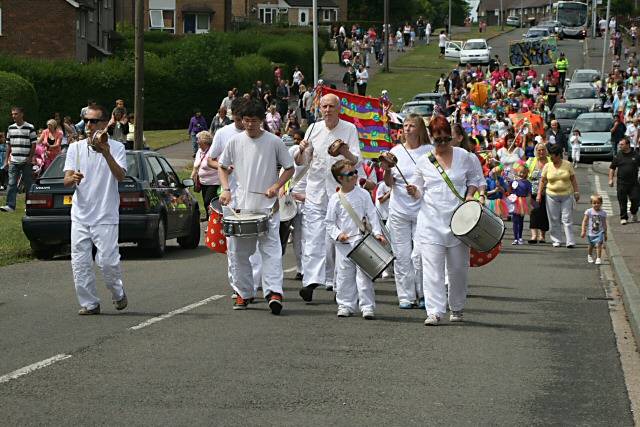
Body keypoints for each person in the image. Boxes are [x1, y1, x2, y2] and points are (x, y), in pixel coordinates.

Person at [218, 100, 294, 314]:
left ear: (262, 121)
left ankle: (274, 292)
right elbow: (222, 168)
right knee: (240, 253)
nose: (249, 125)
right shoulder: (234, 141)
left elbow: (289, 168)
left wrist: (276, 186)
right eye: (246, 120)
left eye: (253, 121)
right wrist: (225, 189)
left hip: (268, 208)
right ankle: (243, 293)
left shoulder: (274, 142)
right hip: (242, 208)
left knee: (271, 251)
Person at [406, 115, 483, 326]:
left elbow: (476, 179)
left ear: (451, 137)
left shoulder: (464, 156)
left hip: (459, 222)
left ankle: (456, 307)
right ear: (431, 137)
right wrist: (413, 191)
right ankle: (434, 310)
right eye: (437, 140)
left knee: (458, 269)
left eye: (445, 139)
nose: (442, 144)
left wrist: (470, 196)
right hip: (430, 221)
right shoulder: (424, 161)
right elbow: (418, 188)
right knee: (432, 269)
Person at [62, 104, 128, 315]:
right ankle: (90, 303)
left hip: (106, 214)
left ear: (104, 123)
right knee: (80, 262)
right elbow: (66, 180)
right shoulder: (75, 148)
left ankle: (117, 293)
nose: (88, 125)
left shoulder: (117, 147)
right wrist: (71, 178)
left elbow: (120, 176)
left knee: (108, 262)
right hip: (80, 214)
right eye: (86, 120)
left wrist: (106, 152)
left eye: (94, 121)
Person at [295, 93, 360, 302]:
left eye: (331, 107)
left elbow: (356, 161)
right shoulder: (313, 129)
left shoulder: (349, 129)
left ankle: (339, 284)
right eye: (324, 107)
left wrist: (345, 152)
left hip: (340, 191)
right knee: (313, 237)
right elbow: (303, 162)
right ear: (319, 109)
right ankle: (311, 282)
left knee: (339, 239)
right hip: (315, 190)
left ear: (338, 109)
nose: (327, 110)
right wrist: (301, 151)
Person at [381, 114, 432, 309]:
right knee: (402, 255)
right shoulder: (395, 151)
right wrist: (386, 170)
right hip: (399, 210)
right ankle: (406, 296)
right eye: (405, 125)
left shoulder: (429, 151)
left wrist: (417, 191)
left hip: (422, 209)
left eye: (412, 125)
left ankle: (423, 294)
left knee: (418, 255)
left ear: (419, 129)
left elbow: (434, 179)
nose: (407, 129)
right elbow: (389, 183)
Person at [326, 159, 386, 319]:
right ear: (340, 178)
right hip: (343, 244)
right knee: (344, 275)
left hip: (361, 240)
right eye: (349, 174)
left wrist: (378, 233)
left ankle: (367, 306)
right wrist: (339, 234)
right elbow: (329, 222)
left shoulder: (363, 194)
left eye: (355, 172)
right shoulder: (335, 199)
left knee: (364, 276)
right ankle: (345, 305)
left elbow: (372, 214)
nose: (354, 176)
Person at [536, 144, 580, 248]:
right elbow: (542, 181)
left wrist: (576, 192)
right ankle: (556, 240)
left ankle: (570, 241)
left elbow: (573, 179)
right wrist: (539, 194)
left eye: (553, 156)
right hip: (551, 195)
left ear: (559, 155)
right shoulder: (548, 166)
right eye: (550, 155)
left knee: (567, 218)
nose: (551, 158)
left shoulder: (567, 164)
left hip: (567, 195)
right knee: (553, 218)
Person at [1, 107, 37, 213]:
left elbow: (34, 144)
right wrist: (6, 160)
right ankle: (10, 206)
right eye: (12, 114)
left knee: (28, 184)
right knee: (11, 183)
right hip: (14, 160)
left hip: (26, 161)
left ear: (22, 114)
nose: (13, 116)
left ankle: (30, 206)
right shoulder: (10, 128)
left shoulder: (30, 127)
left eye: (16, 114)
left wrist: (30, 158)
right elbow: (8, 145)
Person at [608, 137, 640, 224]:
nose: (619, 146)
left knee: (636, 199)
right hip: (621, 183)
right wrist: (610, 179)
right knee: (622, 201)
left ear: (627, 145)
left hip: (634, 183)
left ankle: (633, 212)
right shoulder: (618, 155)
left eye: (622, 144)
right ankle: (624, 217)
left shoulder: (636, 155)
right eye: (619, 144)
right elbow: (612, 168)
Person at [526, 143, 551, 243]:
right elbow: (522, 172)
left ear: (546, 151)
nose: (541, 152)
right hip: (533, 192)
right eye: (539, 150)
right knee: (533, 213)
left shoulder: (550, 161)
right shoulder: (531, 161)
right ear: (535, 151)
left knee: (544, 214)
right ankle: (534, 236)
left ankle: (542, 236)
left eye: (543, 150)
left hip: (547, 192)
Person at [191, 130, 218, 220]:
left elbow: (218, 164)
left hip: (213, 181)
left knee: (208, 200)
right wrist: (192, 177)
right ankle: (208, 218)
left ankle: (213, 218)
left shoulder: (213, 151)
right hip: (203, 181)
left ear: (204, 141)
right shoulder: (199, 151)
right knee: (205, 201)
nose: (197, 141)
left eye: (198, 139)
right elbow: (196, 165)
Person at [581, 194, 607, 265]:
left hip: (600, 232)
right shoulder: (589, 211)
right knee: (591, 245)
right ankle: (589, 255)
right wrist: (583, 230)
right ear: (591, 203)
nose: (596, 204)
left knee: (599, 244)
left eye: (598, 203)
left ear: (601, 203)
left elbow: (604, 224)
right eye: (594, 203)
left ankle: (598, 258)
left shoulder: (603, 213)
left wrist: (605, 233)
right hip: (591, 232)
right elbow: (584, 221)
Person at [511, 165, 532, 245]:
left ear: (526, 173)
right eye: (520, 172)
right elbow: (510, 190)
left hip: (523, 202)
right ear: (517, 172)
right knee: (515, 221)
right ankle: (515, 238)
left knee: (520, 221)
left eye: (523, 173)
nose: (521, 174)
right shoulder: (514, 181)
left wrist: (528, 204)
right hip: (515, 201)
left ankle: (520, 237)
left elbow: (529, 194)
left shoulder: (528, 183)